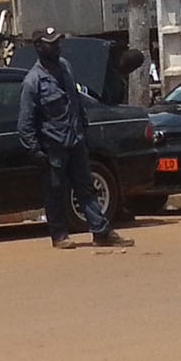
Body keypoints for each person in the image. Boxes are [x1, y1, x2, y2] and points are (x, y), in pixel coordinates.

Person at [17, 27, 131, 250]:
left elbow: (76, 103)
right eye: (51, 43)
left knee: (86, 188)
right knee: (55, 191)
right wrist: (35, 150)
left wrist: (83, 132)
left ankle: (101, 232)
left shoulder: (66, 68)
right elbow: (25, 123)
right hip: (53, 146)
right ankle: (59, 235)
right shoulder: (33, 82)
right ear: (39, 47)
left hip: (76, 140)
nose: (57, 47)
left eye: (58, 42)